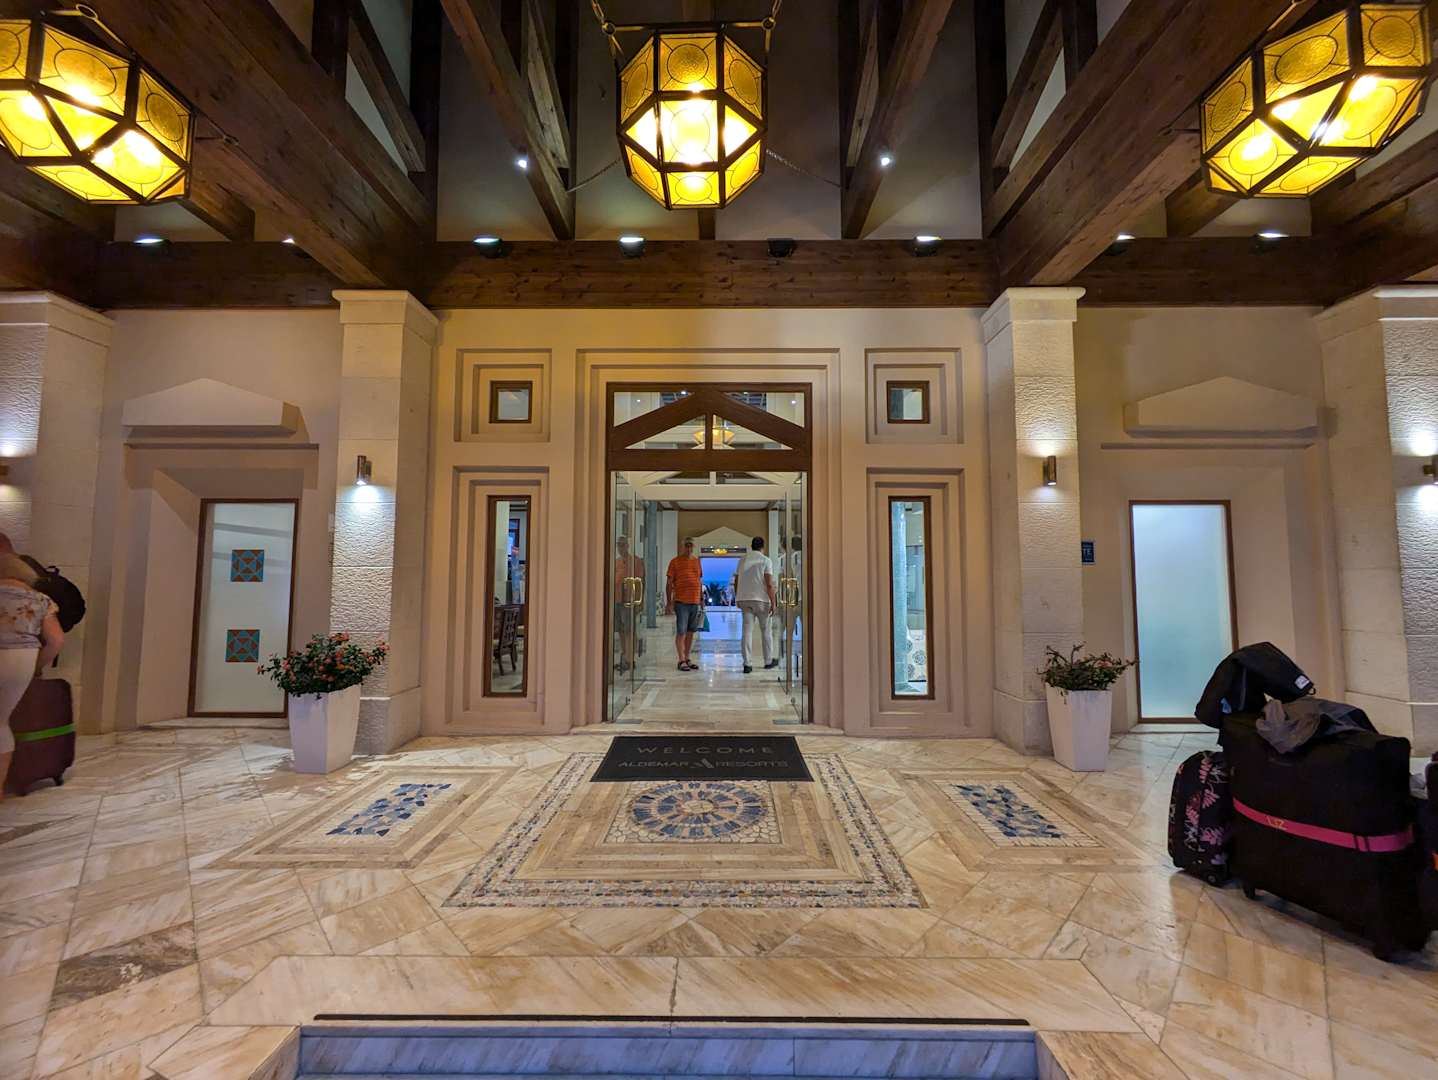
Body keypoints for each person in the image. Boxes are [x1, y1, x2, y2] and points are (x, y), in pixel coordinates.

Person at [0, 554, 63, 799]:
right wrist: (36, 666)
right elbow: (56, 640)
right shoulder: (39, 599)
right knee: (1, 723)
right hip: (21, 659)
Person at [732, 536, 777, 674]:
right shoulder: (766, 560)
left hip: (745, 599)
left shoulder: (742, 560)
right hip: (761, 600)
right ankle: (768, 661)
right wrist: (773, 602)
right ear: (763, 547)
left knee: (747, 631)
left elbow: (736, 581)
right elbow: (769, 584)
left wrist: (738, 597)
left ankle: (747, 664)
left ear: (751, 546)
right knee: (766, 631)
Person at [664, 537, 705, 672]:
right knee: (681, 631)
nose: (689, 548)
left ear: (694, 547)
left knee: (690, 631)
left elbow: (699, 581)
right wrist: (669, 602)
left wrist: (701, 599)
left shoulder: (697, 562)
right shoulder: (675, 562)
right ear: (683, 547)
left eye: (691, 546)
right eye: (687, 545)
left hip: (694, 601)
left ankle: (687, 658)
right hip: (681, 601)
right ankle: (681, 659)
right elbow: (669, 583)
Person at [613, 535, 644, 672]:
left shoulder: (636, 561)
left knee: (629, 630)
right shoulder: (616, 562)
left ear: (627, 546)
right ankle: (625, 656)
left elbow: (640, 582)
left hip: (629, 601)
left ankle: (630, 659)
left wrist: (639, 602)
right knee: (620, 629)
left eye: (623, 545)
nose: (620, 547)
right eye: (618, 545)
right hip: (617, 600)